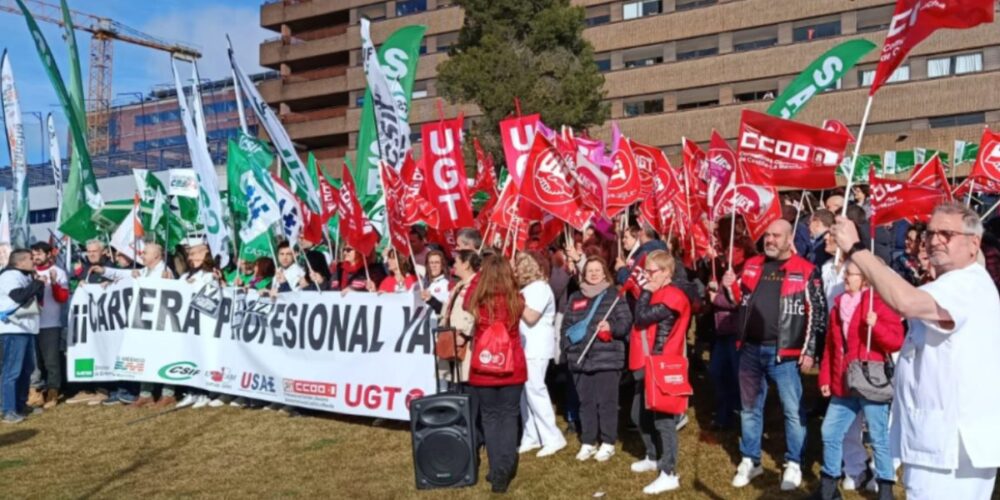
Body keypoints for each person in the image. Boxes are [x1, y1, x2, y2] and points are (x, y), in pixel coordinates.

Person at [831, 201, 1000, 499]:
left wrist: (857, 250)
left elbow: (905, 302)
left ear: (973, 244)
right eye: (931, 232)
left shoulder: (966, 284)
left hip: (949, 448)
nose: (934, 240)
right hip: (942, 441)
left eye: (946, 234)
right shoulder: (959, 283)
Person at [724, 219, 826, 491]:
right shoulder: (752, 264)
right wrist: (731, 287)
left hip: (786, 355)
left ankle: (794, 463)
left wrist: (810, 351)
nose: (770, 240)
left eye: (776, 236)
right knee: (749, 410)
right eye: (767, 235)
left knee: (792, 411)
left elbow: (817, 313)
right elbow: (740, 302)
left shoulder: (806, 270)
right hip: (749, 351)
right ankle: (750, 459)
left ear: (789, 238)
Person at [814, 259, 903, 500]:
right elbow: (831, 348)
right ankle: (829, 488)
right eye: (845, 273)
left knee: (878, 437)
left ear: (865, 279)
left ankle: (886, 488)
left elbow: (896, 341)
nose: (845, 277)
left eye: (851, 274)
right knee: (830, 431)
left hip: (869, 381)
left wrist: (877, 325)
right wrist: (825, 377)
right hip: (843, 383)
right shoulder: (838, 305)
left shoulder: (878, 303)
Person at [629, 250, 692, 494]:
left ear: (666, 273)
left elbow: (642, 316)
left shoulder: (673, 297)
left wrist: (645, 291)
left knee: (664, 421)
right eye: (645, 271)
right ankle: (653, 455)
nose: (646, 276)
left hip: (663, 364)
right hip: (649, 362)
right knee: (639, 415)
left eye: (651, 271)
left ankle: (669, 471)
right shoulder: (662, 293)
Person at [465, 254, 526, 493]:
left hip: (485, 367)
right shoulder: (515, 299)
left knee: (490, 418)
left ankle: (497, 469)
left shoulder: (478, 300)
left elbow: (465, 301)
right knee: (509, 417)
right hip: (512, 367)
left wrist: (478, 276)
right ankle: (504, 467)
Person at [560, 257, 631, 462]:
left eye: (597, 270)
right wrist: (568, 348)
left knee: (607, 402)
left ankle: (608, 441)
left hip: (607, 357)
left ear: (604, 272)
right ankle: (588, 441)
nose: (593, 274)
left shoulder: (615, 295)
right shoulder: (575, 297)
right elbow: (566, 326)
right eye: (589, 270)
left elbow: (626, 322)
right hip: (580, 358)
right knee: (586, 402)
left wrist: (611, 327)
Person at [513, 251, 566, 458]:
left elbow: (531, 317)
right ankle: (531, 435)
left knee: (536, 390)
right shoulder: (527, 289)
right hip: (525, 346)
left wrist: (515, 298)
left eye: (517, 267)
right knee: (525, 392)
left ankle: (553, 437)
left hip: (536, 347)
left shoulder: (540, 288)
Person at [0, 249, 44, 423]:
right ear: (19, 262)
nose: (34, 260)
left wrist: (39, 284)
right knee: (12, 371)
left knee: (26, 369)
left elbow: (34, 297)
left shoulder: (25, 275)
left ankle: (19, 404)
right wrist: (37, 283)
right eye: (30, 258)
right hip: (13, 329)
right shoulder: (9, 275)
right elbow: (19, 296)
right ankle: (8, 409)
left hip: (26, 328)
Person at [425, 250, 478, 386]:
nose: (454, 264)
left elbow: (476, 313)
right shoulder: (459, 285)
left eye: (457, 262)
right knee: (453, 382)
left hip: (464, 342)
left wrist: (466, 335)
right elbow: (448, 309)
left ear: (466, 265)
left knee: (466, 382)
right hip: (451, 339)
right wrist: (431, 300)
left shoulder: (476, 285)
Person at [28, 242, 69, 409]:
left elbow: (62, 298)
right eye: (33, 254)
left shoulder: (58, 272)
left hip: (50, 323)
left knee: (51, 360)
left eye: (39, 253)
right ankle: (35, 390)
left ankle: (53, 390)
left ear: (48, 254)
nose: (36, 257)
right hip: (30, 323)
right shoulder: (28, 273)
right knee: (33, 361)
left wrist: (53, 283)